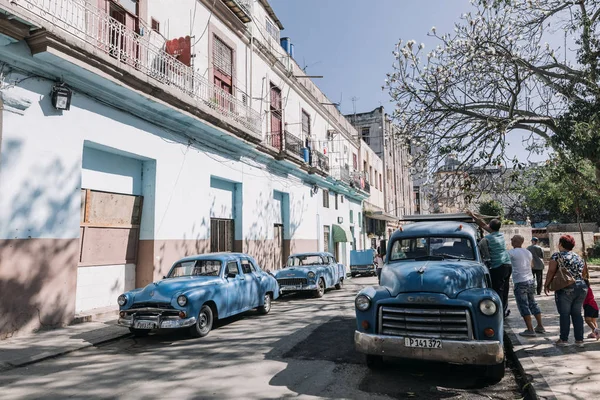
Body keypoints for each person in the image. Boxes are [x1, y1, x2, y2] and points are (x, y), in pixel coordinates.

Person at [544, 235, 588, 347]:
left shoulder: (556, 256)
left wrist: (546, 284)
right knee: (577, 314)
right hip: (581, 287)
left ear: (561, 244)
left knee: (564, 314)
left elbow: (551, 271)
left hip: (566, 288)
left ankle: (563, 339)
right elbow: (583, 273)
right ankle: (579, 341)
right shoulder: (578, 257)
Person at [467, 211, 513, 317]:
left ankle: (499, 313)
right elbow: (483, 224)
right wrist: (473, 216)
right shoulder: (500, 235)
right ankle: (504, 310)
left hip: (498, 266)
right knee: (505, 289)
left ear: (490, 227)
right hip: (507, 265)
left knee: (498, 290)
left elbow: (483, 226)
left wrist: (472, 216)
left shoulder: (487, 239)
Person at [508, 235, 545, 337]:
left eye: (512, 239)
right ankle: (540, 326)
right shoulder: (527, 252)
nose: (511, 241)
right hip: (530, 280)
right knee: (533, 303)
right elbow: (532, 265)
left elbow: (505, 263)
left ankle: (530, 329)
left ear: (515, 242)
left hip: (520, 282)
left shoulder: (511, 253)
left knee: (523, 305)